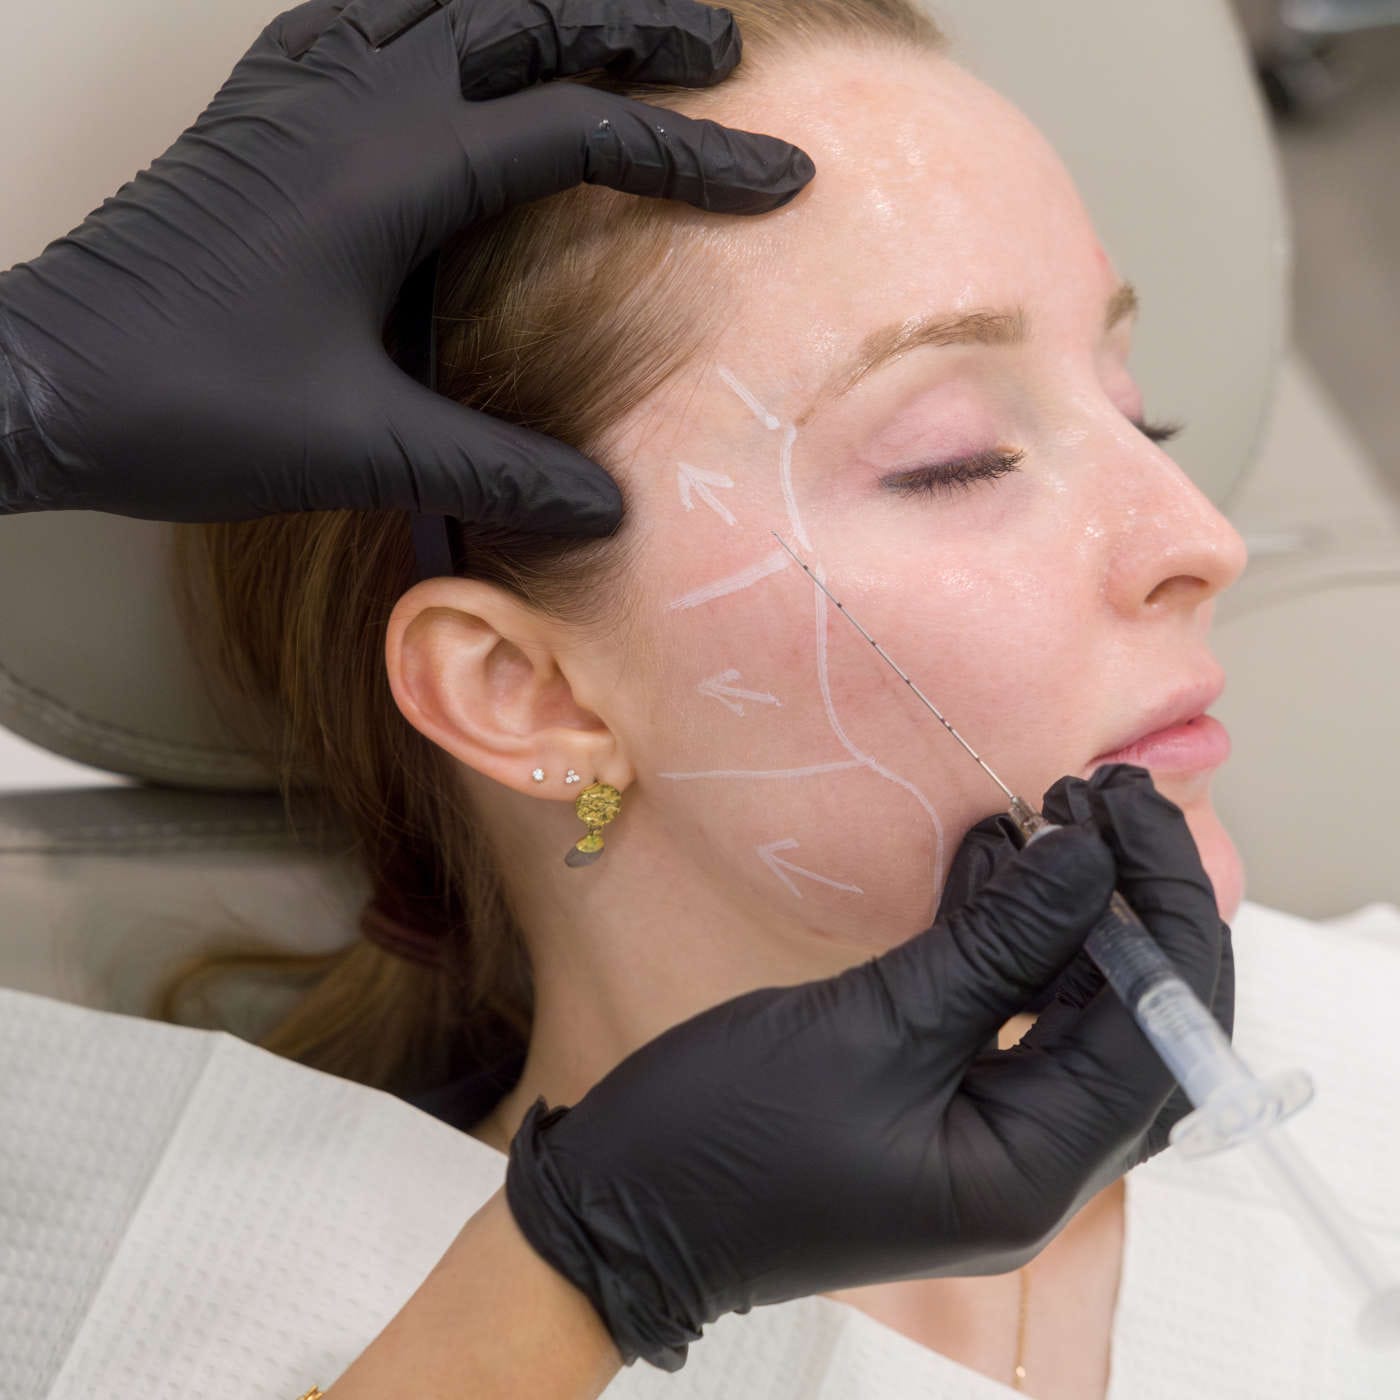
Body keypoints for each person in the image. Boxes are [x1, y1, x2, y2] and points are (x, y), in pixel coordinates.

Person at [0, 0, 1239, 1394]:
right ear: (526, 693)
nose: (1202, 538)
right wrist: (577, 1286)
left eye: (1136, 413)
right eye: (955, 458)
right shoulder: (168, 1293)